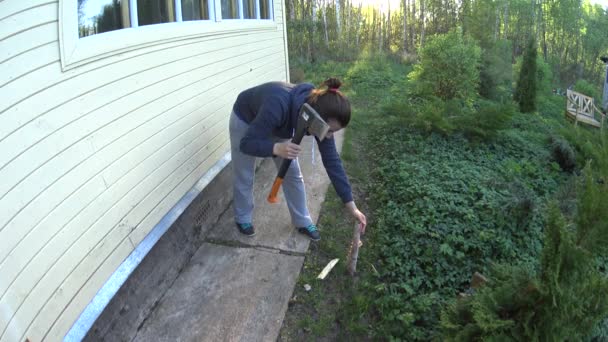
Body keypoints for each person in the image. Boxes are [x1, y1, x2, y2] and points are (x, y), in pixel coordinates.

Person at [229, 77, 367, 241]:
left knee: (293, 173)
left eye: (334, 132)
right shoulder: (278, 104)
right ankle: (243, 217)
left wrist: (351, 206)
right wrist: (276, 148)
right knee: (245, 172)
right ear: (317, 118)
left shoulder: (314, 113)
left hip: (277, 124)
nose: (330, 136)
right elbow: (247, 144)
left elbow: (333, 163)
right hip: (246, 119)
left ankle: (302, 221)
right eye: (330, 131)